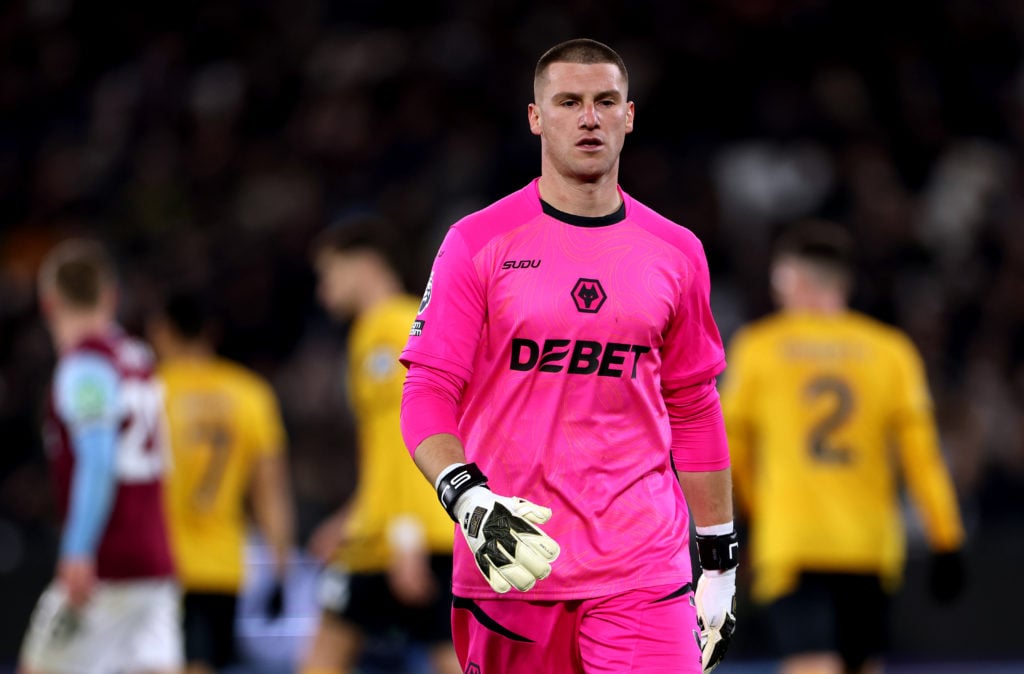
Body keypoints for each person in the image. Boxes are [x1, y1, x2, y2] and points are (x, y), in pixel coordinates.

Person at [398, 38, 738, 674]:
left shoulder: (676, 251)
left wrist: (718, 556)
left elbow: (693, 405)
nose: (589, 117)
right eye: (570, 102)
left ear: (629, 116)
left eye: (606, 101)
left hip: (644, 567)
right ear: (535, 117)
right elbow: (427, 393)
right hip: (515, 558)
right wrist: (468, 498)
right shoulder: (476, 242)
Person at [719, 219, 967, 674]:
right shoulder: (891, 351)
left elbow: (729, 450)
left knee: (812, 664)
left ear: (790, 278)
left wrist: (752, 512)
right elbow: (922, 456)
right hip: (869, 546)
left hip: (793, 541)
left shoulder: (760, 348)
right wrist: (946, 539)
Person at [301, 217, 460, 674]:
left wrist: (403, 535)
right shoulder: (417, 317)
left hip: (402, 536)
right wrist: (351, 514)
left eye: (329, 273)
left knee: (326, 654)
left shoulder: (385, 329)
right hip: (413, 525)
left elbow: (409, 437)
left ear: (365, 264)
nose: (323, 290)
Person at [20, 238, 183, 674]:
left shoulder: (85, 367)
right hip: (156, 559)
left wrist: (78, 548)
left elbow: (98, 461)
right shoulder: (138, 358)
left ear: (49, 303)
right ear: (110, 297)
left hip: (108, 561)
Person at [146, 289, 296, 674]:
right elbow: (270, 491)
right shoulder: (250, 394)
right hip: (222, 564)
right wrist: (281, 566)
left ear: (161, 332)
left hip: (159, 561)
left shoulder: (148, 391)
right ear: (210, 333)